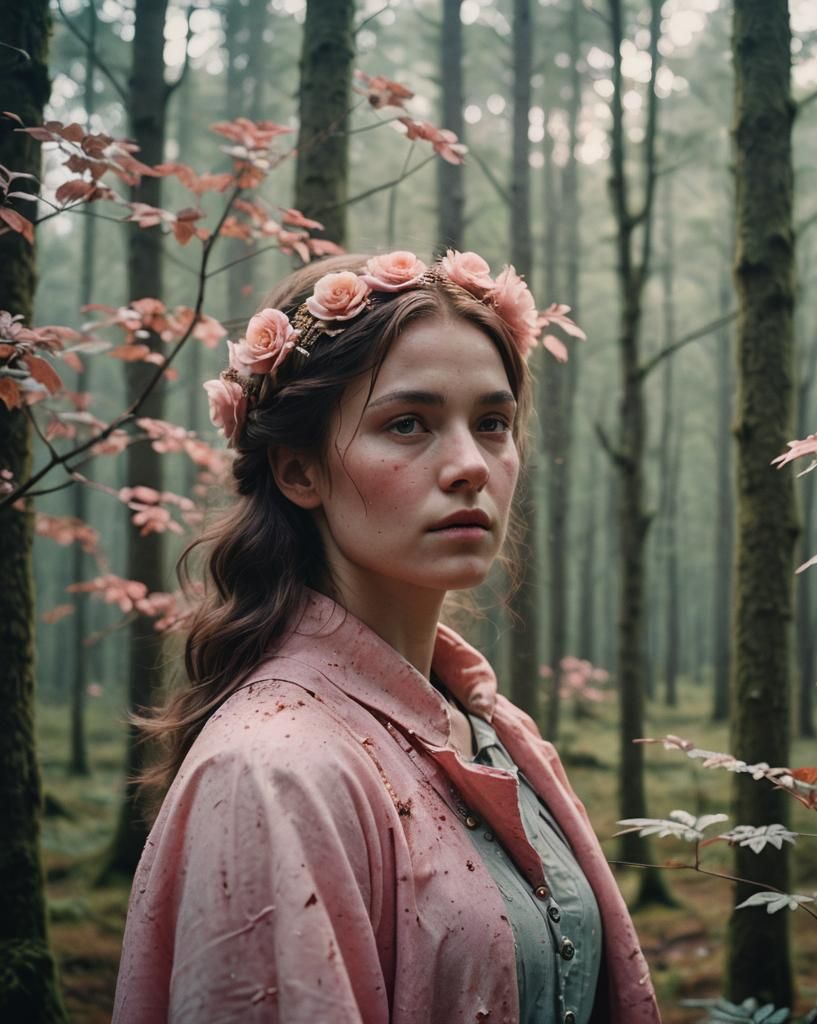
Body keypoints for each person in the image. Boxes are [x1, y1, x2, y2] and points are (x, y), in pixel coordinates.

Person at [112, 249, 661, 1024]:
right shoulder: (274, 773)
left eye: (494, 423)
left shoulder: (493, 728)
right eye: (409, 424)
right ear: (300, 471)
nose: (471, 465)